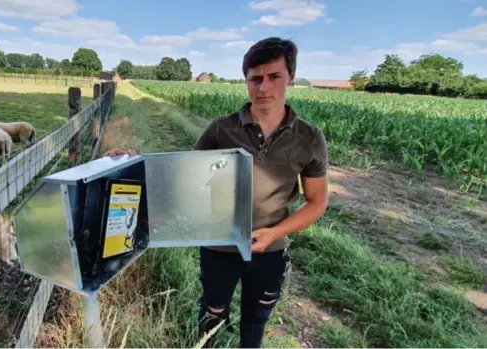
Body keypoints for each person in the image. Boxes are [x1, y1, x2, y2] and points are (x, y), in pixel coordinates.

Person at [103, 36, 329, 348]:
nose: (264, 88)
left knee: (255, 322)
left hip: (271, 251)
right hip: (219, 247)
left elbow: (317, 202)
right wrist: (133, 162)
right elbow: (183, 174)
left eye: (274, 77)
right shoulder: (222, 129)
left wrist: (274, 234)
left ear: (290, 76)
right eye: (255, 79)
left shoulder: (309, 138)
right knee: (211, 317)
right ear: (246, 80)